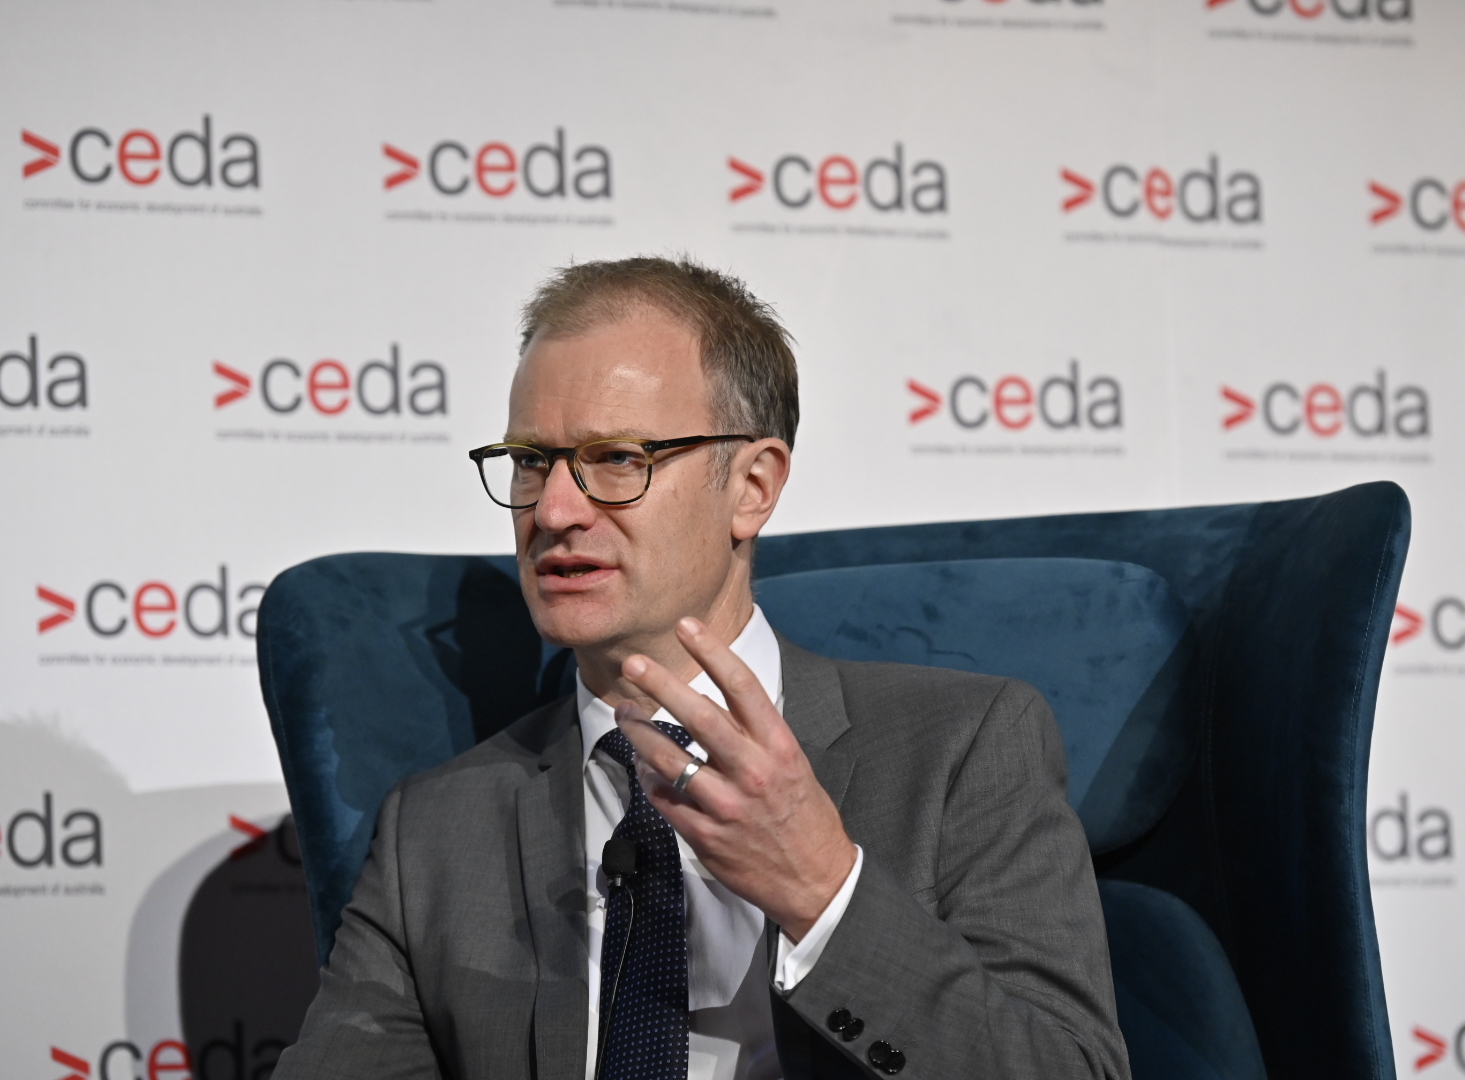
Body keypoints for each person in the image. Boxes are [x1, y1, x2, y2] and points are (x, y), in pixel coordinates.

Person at [272, 256, 1131, 1080]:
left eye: (618, 458)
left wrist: (823, 889)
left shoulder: (962, 750)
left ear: (752, 487)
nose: (555, 510)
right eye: (532, 460)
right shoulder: (433, 832)